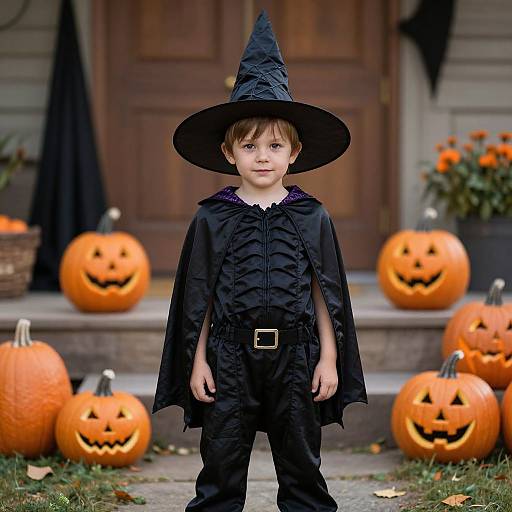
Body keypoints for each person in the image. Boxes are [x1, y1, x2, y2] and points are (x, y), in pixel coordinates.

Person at [153, 10, 368, 512]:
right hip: (229, 357)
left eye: (275, 145)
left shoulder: (312, 216)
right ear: (230, 153)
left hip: (297, 359)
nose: (263, 156)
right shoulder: (212, 218)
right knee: (221, 466)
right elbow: (198, 298)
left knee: (302, 466)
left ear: (294, 152)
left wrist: (329, 358)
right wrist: (198, 358)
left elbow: (326, 294)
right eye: (250, 146)